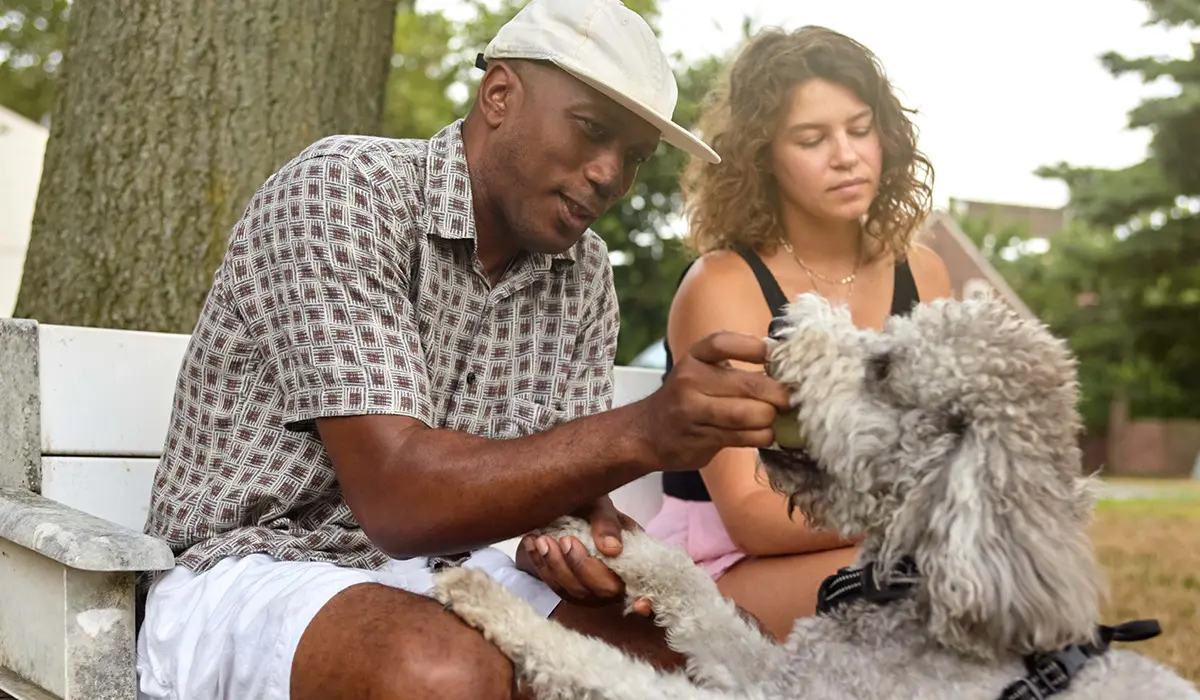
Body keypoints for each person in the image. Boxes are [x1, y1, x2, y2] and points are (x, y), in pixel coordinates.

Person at [133, 1, 793, 699]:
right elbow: (398, 500)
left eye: (633, 158)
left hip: (448, 572)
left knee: (721, 657)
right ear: (500, 95)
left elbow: (566, 484)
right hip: (244, 570)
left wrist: (577, 547)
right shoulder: (346, 189)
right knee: (442, 675)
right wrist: (646, 430)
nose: (609, 176)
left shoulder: (584, 272)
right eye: (592, 131)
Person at [643, 25, 954, 642]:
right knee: (939, 580)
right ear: (763, 160)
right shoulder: (722, 286)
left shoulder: (924, 271)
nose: (846, 155)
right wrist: (925, 509)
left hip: (886, 543)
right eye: (812, 139)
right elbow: (751, 516)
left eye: (860, 129)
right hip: (724, 565)